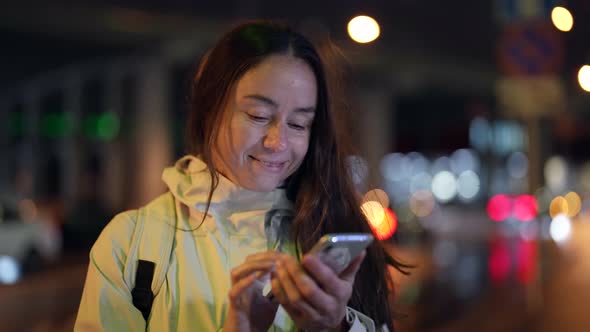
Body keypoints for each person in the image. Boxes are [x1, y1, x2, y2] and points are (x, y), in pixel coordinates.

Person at [75, 20, 409, 332]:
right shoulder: (131, 242)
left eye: (298, 124)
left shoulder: (333, 227)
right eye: (258, 115)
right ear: (209, 110)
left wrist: (338, 325)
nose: (277, 142)